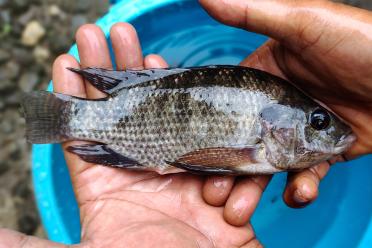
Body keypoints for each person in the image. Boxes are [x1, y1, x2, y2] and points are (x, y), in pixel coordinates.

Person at [1, 0, 372, 247]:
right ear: (277, 124)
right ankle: (64, 117)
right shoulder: (261, 144)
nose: (330, 131)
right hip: (136, 119)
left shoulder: (270, 133)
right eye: (318, 122)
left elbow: (207, 158)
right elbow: (210, 158)